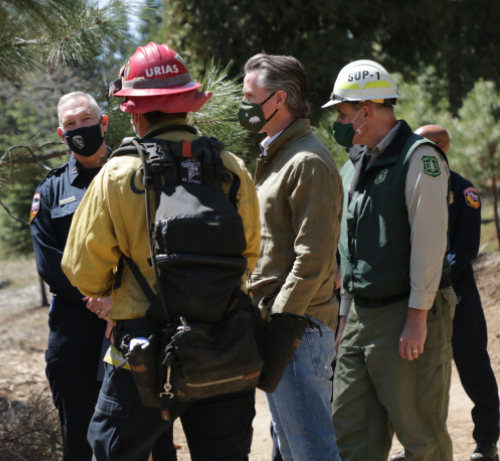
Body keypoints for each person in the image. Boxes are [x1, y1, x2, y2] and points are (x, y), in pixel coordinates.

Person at [62, 42, 261, 461]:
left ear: (134, 112)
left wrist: (117, 288)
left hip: (141, 349)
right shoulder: (231, 167)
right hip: (224, 342)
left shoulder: (118, 172)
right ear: (189, 105)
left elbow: (82, 270)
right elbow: (251, 253)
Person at [32, 91, 175, 461]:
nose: (80, 128)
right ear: (61, 134)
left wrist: (117, 301)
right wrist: (97, 301)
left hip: (136, 317)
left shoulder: (137, 172)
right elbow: (49, 261)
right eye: (71, 125)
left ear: (105, 122)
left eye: (86, 119)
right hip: (76, 321)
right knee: (79, 431)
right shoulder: (51, 189)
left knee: (152, 429)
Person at [326, 61, 455, 461]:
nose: (340, 121)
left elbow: (429, 241)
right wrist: (345, 315)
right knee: (350, 434)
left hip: (407, 312)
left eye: (344, 112)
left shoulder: (419, 157)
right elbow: (351, 247)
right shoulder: (354, 164)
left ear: (367, 109)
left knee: (420, 436)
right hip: (361, 314)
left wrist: (417, 317)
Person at [242, 54, 343, 461]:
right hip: (282, 323)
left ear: (279, 98)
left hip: (297, 328)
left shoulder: (307, 161)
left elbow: (314, 257)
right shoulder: (278, 156)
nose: (243, 106)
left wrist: (282, 321)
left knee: (312, 451)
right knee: (289, 449)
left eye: (250, 97)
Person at [393, 125, 498, 461]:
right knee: (414, 373)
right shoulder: (407, 185)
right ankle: (416, 447)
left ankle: (486, 441)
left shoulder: (463, 189)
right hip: (413, 295)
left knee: (473, 365)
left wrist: (432, 274)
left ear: (439, 149)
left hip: (457, 293)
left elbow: (466, 248)